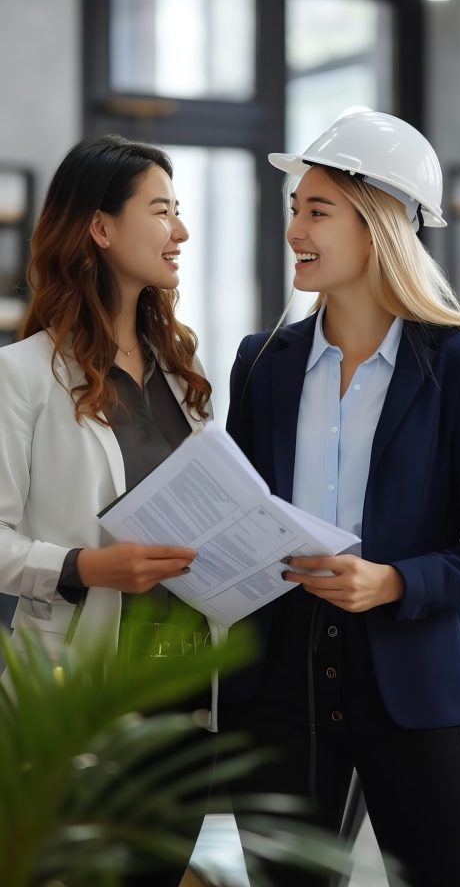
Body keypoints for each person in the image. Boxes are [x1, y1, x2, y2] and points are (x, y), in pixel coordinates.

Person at [220, 109, 460, 887]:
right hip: (278, 688)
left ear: (380, 224)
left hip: (411, 687)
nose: (295, 230)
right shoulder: (262, 364)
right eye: (294, 209)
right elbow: (239, 517)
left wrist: (395, 580)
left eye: (317, 210)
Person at [0, 134, 217, 884]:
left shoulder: (182, 378)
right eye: (161, 211)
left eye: (179, 212)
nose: (180, 232)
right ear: (100, 228)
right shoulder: (21, 377)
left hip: (183, 699)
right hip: (77, 702)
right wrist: (87, 566)